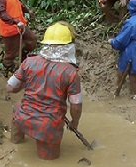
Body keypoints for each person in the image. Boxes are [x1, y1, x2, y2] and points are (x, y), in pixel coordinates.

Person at [6, 22, 82, 160]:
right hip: (48, 125)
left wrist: (26, 83)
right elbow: (76, 105)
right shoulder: (71, 73)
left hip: (23, 117)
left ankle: (16, 140)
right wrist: (74, 123)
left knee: (17, 108)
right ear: (69, 46)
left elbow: (10, 87)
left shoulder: (29, 62)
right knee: (48, 162)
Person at [0, 0, 37, 75]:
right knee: (10, 53)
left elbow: (18, 4)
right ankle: (8, 70)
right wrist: (15, 21)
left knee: (32, 40)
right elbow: (1, 13)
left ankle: (23, 58)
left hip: (20, 26)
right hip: (10, 30)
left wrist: (28, 11)